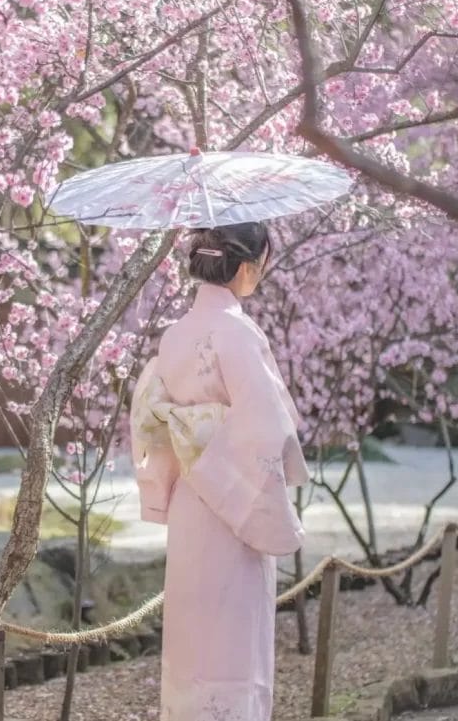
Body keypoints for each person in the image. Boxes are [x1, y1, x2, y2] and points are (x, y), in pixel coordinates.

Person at [130, 221, 310, 721]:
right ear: (248, 266)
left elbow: (158, 412)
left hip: (194, 494)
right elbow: (266, 425)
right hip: (234, 500)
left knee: (194, 633)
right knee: (235, 635)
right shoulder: (237, 331)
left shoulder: (175, 334)